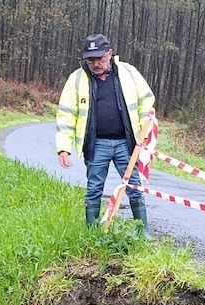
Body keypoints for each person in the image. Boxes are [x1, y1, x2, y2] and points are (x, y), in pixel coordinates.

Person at [55, 33, 155, 231]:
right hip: (96, 144)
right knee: (94, 189)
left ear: (109, 53)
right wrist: (63, 148)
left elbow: (147, 100)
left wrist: (145, 123)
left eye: (100, 58)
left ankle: (142, 232)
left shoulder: (129, 72)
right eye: (91, 60)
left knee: (134, 188)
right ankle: (91, 233)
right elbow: (66, 115)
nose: (95, 64)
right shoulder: (76, 79)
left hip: (127, 144)